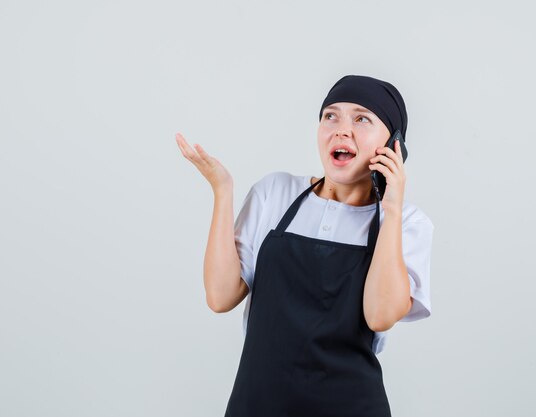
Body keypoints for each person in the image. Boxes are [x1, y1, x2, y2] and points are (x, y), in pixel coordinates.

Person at [175, 74, 434, 416]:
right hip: (257, 406)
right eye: (331, 115)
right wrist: (222, 191)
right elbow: (220, 297)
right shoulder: (274, 194)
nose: (342, 129)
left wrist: (392, 207)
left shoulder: (406, 224)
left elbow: (380, 315)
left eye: (362, 118)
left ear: (394, 145)